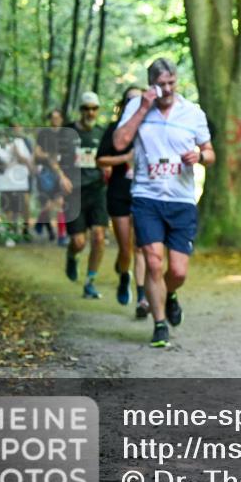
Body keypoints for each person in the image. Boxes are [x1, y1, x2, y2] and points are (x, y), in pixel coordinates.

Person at [113, 58, 214, 348]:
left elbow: (210, 152)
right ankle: (159, 325)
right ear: (151, 85)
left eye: (171, 83)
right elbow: (120, 143)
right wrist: (143, 108)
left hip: (181, 199)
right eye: (161, 84)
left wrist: (200, 156)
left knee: (178, 271)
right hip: (147, 196)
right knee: (154, 263)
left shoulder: (192, 113)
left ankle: (169, 295)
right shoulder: (136, 108)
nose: (167, 89)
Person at [97, 85, 149, 315]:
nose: (134, 104)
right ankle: (124, 275)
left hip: (144, 193)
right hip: (119, 192)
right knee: (126, 249)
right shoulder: (114, 130)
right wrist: (125, 158)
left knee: (140, 247)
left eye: (139, 100)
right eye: (130, 100)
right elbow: (100, 160)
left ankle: (142, 298)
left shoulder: (151, 129)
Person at [64, 92, 109, 299]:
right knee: (79, 242)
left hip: (97, 191)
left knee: (99, 238)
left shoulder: (102, 133)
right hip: (74, 193)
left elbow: (110, 157)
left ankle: (90, 282)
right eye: (86, 108)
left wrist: (108, 167)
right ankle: (72, 256)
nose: (90, 112)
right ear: (80, 110)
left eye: (94, 108)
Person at [34, 109, 72, 244]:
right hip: (47, 173)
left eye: (58, 117)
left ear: (62, 119)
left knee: (60, 203)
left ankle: (62, 236)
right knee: (49, 204)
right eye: (53, 117)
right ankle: (40, 221)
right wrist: (48, 157)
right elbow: (37, 153)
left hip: (62, 173)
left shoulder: (67, 134)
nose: (55, 120)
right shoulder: (44, 133)